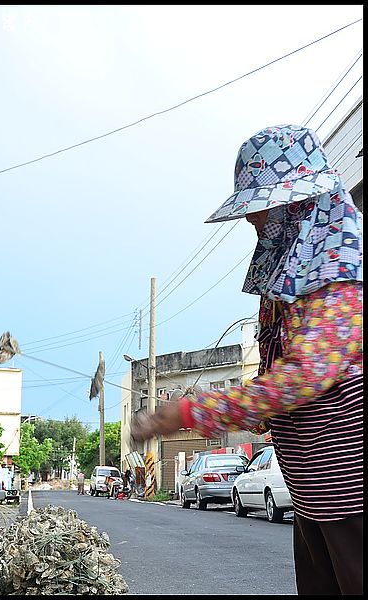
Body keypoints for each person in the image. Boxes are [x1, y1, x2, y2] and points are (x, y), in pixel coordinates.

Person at [130, 124, 362, 596]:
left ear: (299, 205)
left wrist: (189, 412)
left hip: (353, 497)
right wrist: (248, 410)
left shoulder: (339, 278)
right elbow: (274, 385)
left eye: (262, 208)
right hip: (314, 496)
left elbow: (302, 379)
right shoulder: (287, 285)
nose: (253, 221)